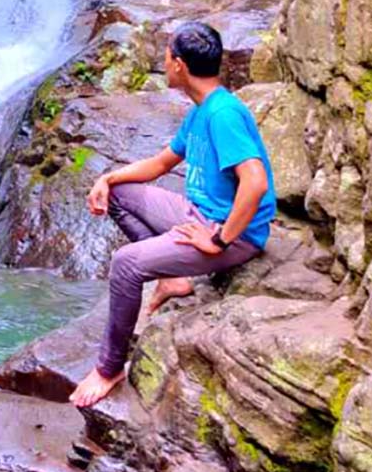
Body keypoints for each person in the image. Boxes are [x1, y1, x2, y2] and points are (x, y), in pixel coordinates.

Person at [68, 21, 278, 408]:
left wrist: (218, 240)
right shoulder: (201, 111)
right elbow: (163, 162)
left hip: (233, 234)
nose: (162, 61)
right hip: (197, 214)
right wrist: (108, 178)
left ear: (179, 65)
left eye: (166, 55)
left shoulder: (223, 114)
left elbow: (255, 182)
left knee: (126, 264)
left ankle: (109, 368)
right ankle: (174, 277)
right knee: (118, 194)